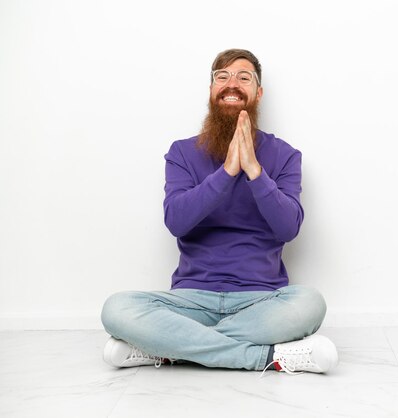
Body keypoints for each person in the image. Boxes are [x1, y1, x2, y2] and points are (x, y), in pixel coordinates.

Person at [100, 49, 338, 375]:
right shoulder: (182, 152)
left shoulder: (284, 155)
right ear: (212, 91)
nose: (232, 84)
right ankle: (267, 357)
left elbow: (288, 229)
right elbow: (177, 221)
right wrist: (227, 172)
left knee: (310, 303)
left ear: (258, 92)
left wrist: (254, 171)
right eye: (221, 77)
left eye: (244, 77)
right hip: (191, 299)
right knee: (117, 308)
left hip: (261, 300)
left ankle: (167, 348)